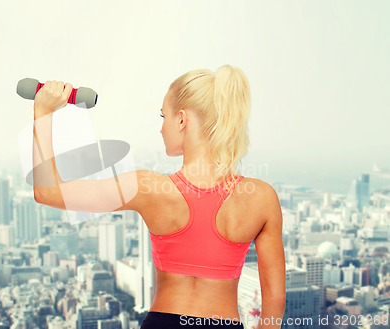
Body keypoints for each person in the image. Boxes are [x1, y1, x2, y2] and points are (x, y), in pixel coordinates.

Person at [31, 65, 286, 329]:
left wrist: (43, 112)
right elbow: (275, 301)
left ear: (182, 120)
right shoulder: (261, 198)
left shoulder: (148, 187)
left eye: (163, 116)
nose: (161, 129)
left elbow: (47, 191)